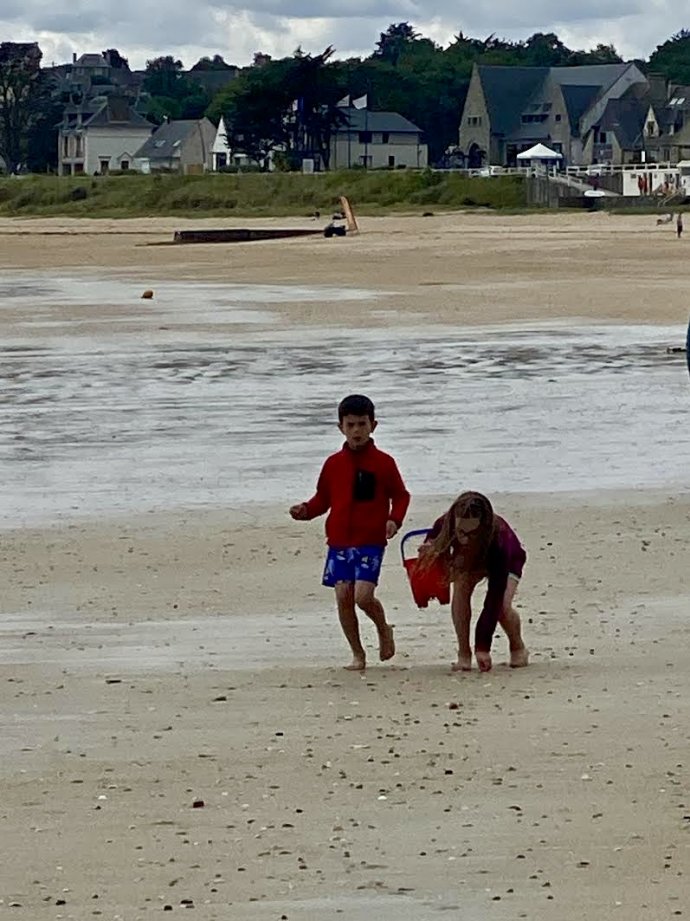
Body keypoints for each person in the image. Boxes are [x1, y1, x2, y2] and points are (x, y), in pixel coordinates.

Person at [289, 394, 410, 671]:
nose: (357, 431)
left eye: (362, 424)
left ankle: (383, 628)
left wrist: (394, 520)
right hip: (340, 542)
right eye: (351, 425)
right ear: (340, 427)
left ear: (373, 425)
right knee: (344, 598)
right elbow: (323, 499)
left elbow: (401, 496)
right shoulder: (333, 464)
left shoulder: (384, 462)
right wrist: (306, 510)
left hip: (370, 541)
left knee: (363, 597)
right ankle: (358, 654)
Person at [421, 491, 528, 673]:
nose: (465, 538)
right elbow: (433, 542)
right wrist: (430, 550)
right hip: (468, 561)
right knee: (460, 590)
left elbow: (493, 597)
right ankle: (463, 653)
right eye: (461, 531)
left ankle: (518, 646)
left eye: (472, 533)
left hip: (508, 561)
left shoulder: (499, 538)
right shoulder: (444, 522)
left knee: (501, 606)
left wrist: (483, 647)